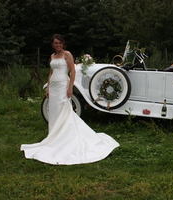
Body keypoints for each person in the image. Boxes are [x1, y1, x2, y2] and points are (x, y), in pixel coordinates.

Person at [20, 34, 119, 165]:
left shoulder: (67, 54)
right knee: (54, 110)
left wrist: (70, 88)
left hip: (63, 85)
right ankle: (53, 136)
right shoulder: (52, 56)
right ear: (52, 44)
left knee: (63, 109)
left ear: (63, 43)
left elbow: (72, 71)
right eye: (55, 43)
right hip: (54, 86)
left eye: (60, 43)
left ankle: (64, 136)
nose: (58, 45)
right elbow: (51, 72)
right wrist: (48, 87)